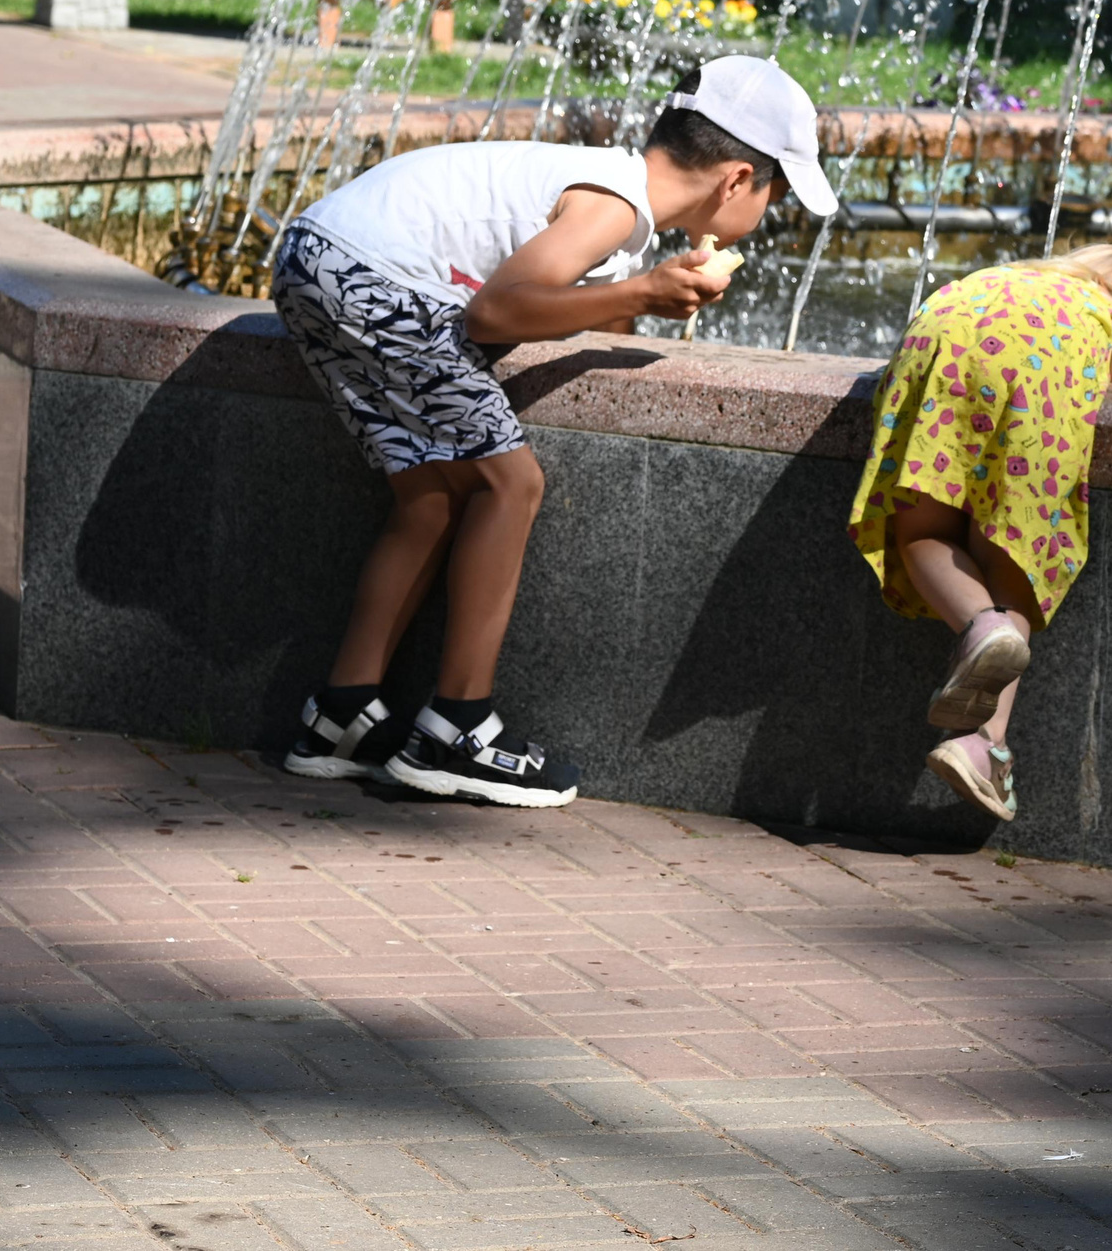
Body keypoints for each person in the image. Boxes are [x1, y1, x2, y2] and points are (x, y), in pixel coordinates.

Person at [271, 55, 839, 805]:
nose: (771, 213)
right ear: (736, 179)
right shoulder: (617, 206)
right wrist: (644, 289)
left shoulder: (603, 182)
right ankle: (457, 727)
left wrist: (635, 293)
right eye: (777, 192)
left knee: (430, 497)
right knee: (513, 482)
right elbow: (495, 312)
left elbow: (523, 298)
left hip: (316, 259)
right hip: (378, 279)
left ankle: (342, 715)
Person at [848, 244, 1112, 822]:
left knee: (921, 530)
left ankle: (980, 630)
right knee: (1013, 556)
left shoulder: (994, 279)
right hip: (1036, 380)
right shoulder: (1109, 318)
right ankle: (984, 744)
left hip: (940, 334)